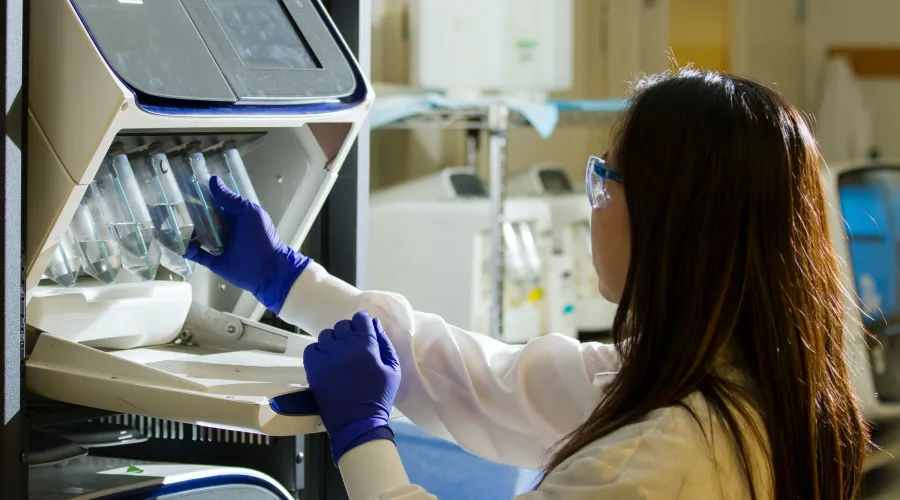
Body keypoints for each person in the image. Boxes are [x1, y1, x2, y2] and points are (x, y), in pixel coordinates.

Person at [186, 69, 870, 500]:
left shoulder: (655, 459)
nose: (592, 201)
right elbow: (485, 380)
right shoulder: (743, 387)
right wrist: (289, 279)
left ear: (671, 222)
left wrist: (365, 440)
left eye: (605, 179)